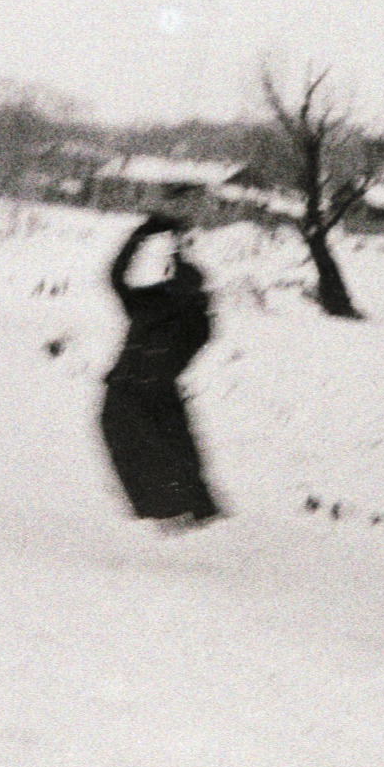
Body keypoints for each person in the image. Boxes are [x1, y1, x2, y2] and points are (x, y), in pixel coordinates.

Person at [99, 212, 222, 532]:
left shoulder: (191, 319)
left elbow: (117, 279)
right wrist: (141, 237)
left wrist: (158, 242)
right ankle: (172, 517)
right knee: (147, 456)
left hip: (150, 395)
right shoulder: (152, 303)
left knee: (172, 458)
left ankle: (184, 518)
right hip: (131, 391)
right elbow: (115, 277)